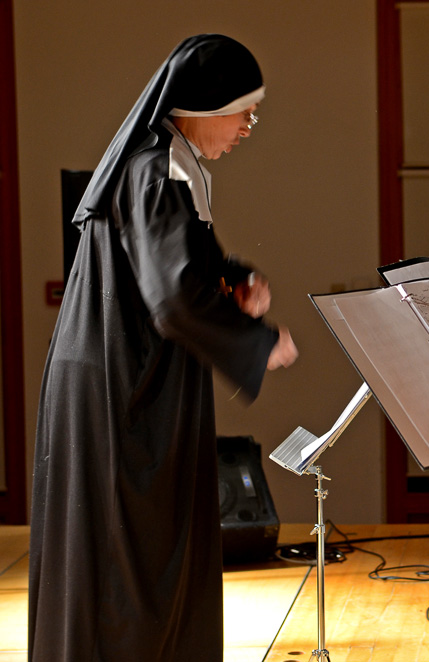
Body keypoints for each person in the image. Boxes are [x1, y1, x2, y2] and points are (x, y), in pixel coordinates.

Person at [28, 34, 298, 662]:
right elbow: (172, 300)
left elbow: (181, 265)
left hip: (129, 381)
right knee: (125, 573)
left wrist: (233, 282)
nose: (248, 128)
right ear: (201, 107)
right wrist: (254, 345)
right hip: (117, 390)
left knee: (144, 564)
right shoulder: (156, 169)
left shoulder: (171, 165)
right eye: (244, 113)